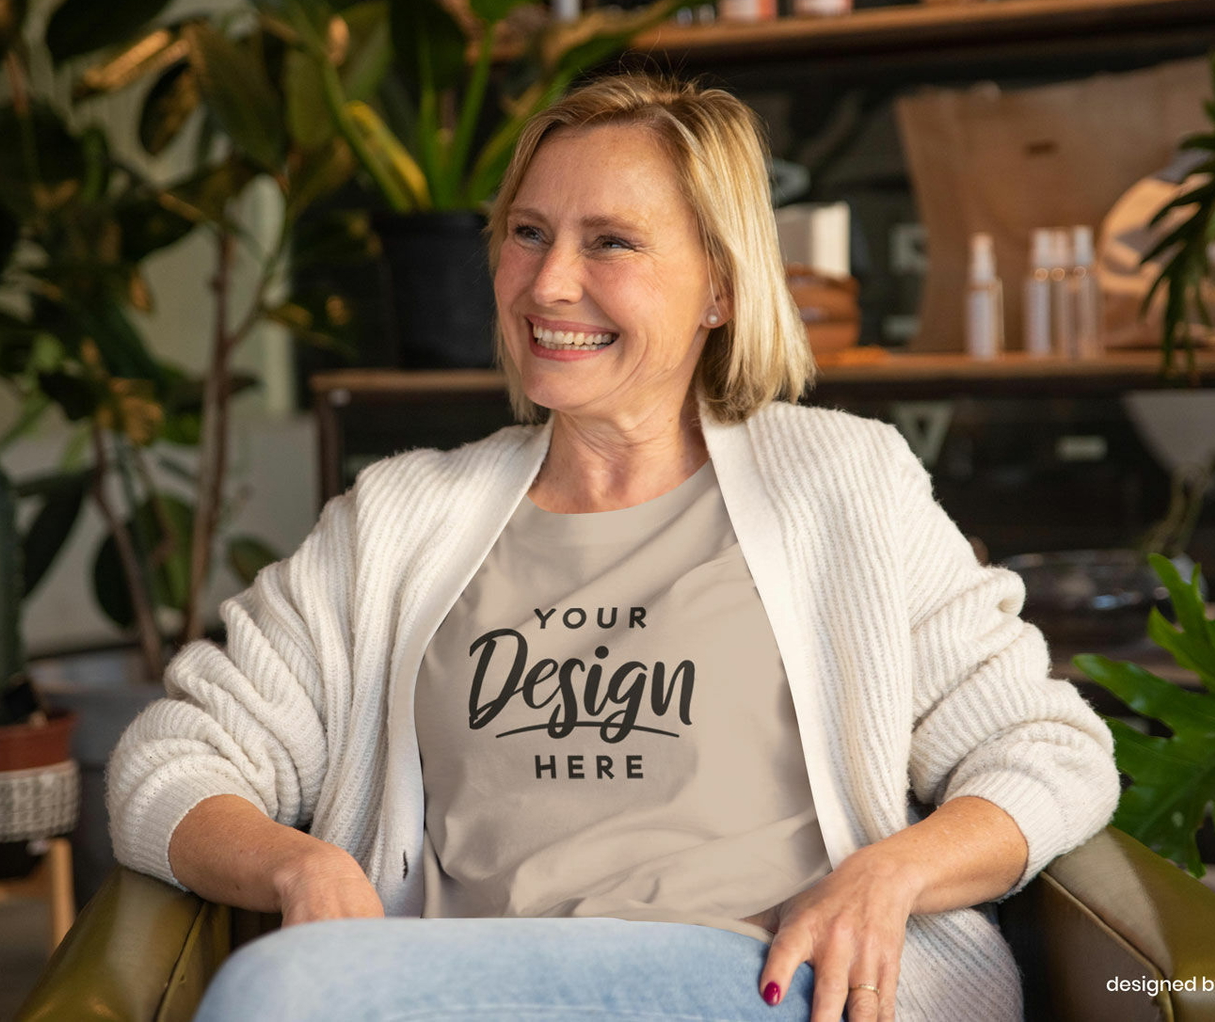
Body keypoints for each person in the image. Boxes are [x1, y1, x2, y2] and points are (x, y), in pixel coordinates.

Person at [107, 73, 1119, 1022]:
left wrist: (888, 873)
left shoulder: (843, 485)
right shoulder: (398, 519)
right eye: (528, 233)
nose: (549, 284)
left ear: (718, 287)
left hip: (761, 980)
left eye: (610, 244)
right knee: (284, 990)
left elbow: (1044, 751)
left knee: (283, 998)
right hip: (462, 985)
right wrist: (302, 867)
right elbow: (169, 763)